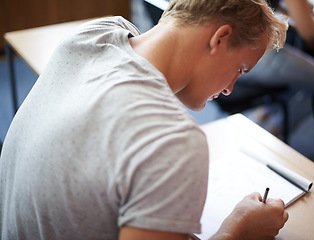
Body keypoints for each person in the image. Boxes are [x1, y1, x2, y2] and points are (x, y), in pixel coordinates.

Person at [0, 0, 288, 239]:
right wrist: (237, 231)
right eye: (240, 68)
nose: (229, 88)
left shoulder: (95, 33)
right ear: (220, 38)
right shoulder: (173, 139)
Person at [217, 0, 314, 138]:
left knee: (299, 78)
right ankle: (276, 129)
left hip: (228, 52)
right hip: (254, 57)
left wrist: (297, 9)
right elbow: (308, 31)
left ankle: (264, 114)